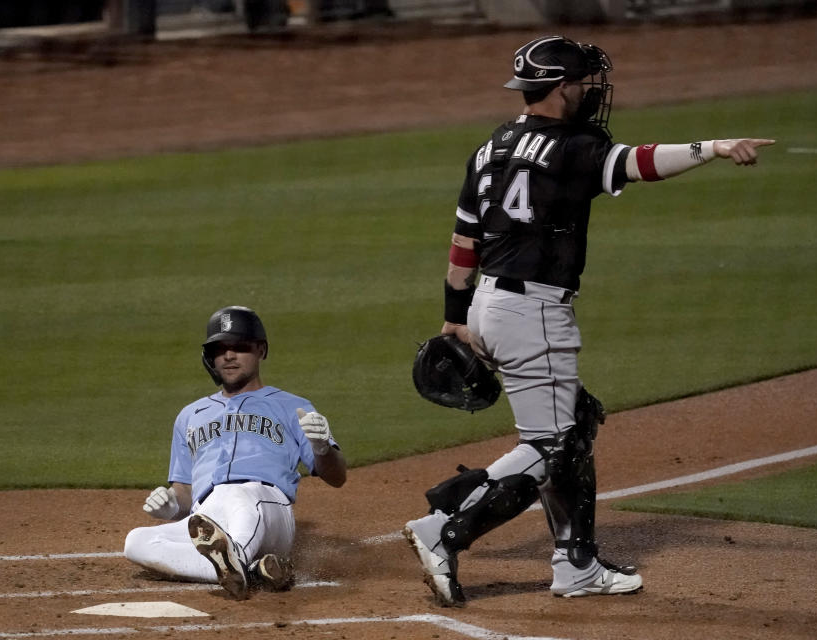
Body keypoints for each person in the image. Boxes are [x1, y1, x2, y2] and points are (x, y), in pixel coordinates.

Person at [403, 35, 774, 606]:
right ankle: (445, 529)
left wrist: (455, 318)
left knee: (574, 424)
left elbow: (463, 242)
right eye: (579, 83)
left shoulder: (491, 147)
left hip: (488, 306)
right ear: (558, 87)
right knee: (550, 444)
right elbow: (639, 162)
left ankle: (575, 565)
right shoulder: (571, 144)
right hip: (535, 312)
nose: (587, 92)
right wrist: (715, 147)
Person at [124, 305, 347, 600]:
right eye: (220, 349)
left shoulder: (293, 406)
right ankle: (250, 571)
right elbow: (184, 496)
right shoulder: (190, 415)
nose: (229, 356)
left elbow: (337, 477)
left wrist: (322, 448)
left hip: (266, 508)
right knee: (136, 542)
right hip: (209, 514)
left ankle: (234, 558)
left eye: (240, 347)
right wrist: (171, 506)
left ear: (261, 350)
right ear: (210, 357)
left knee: (240, 495)